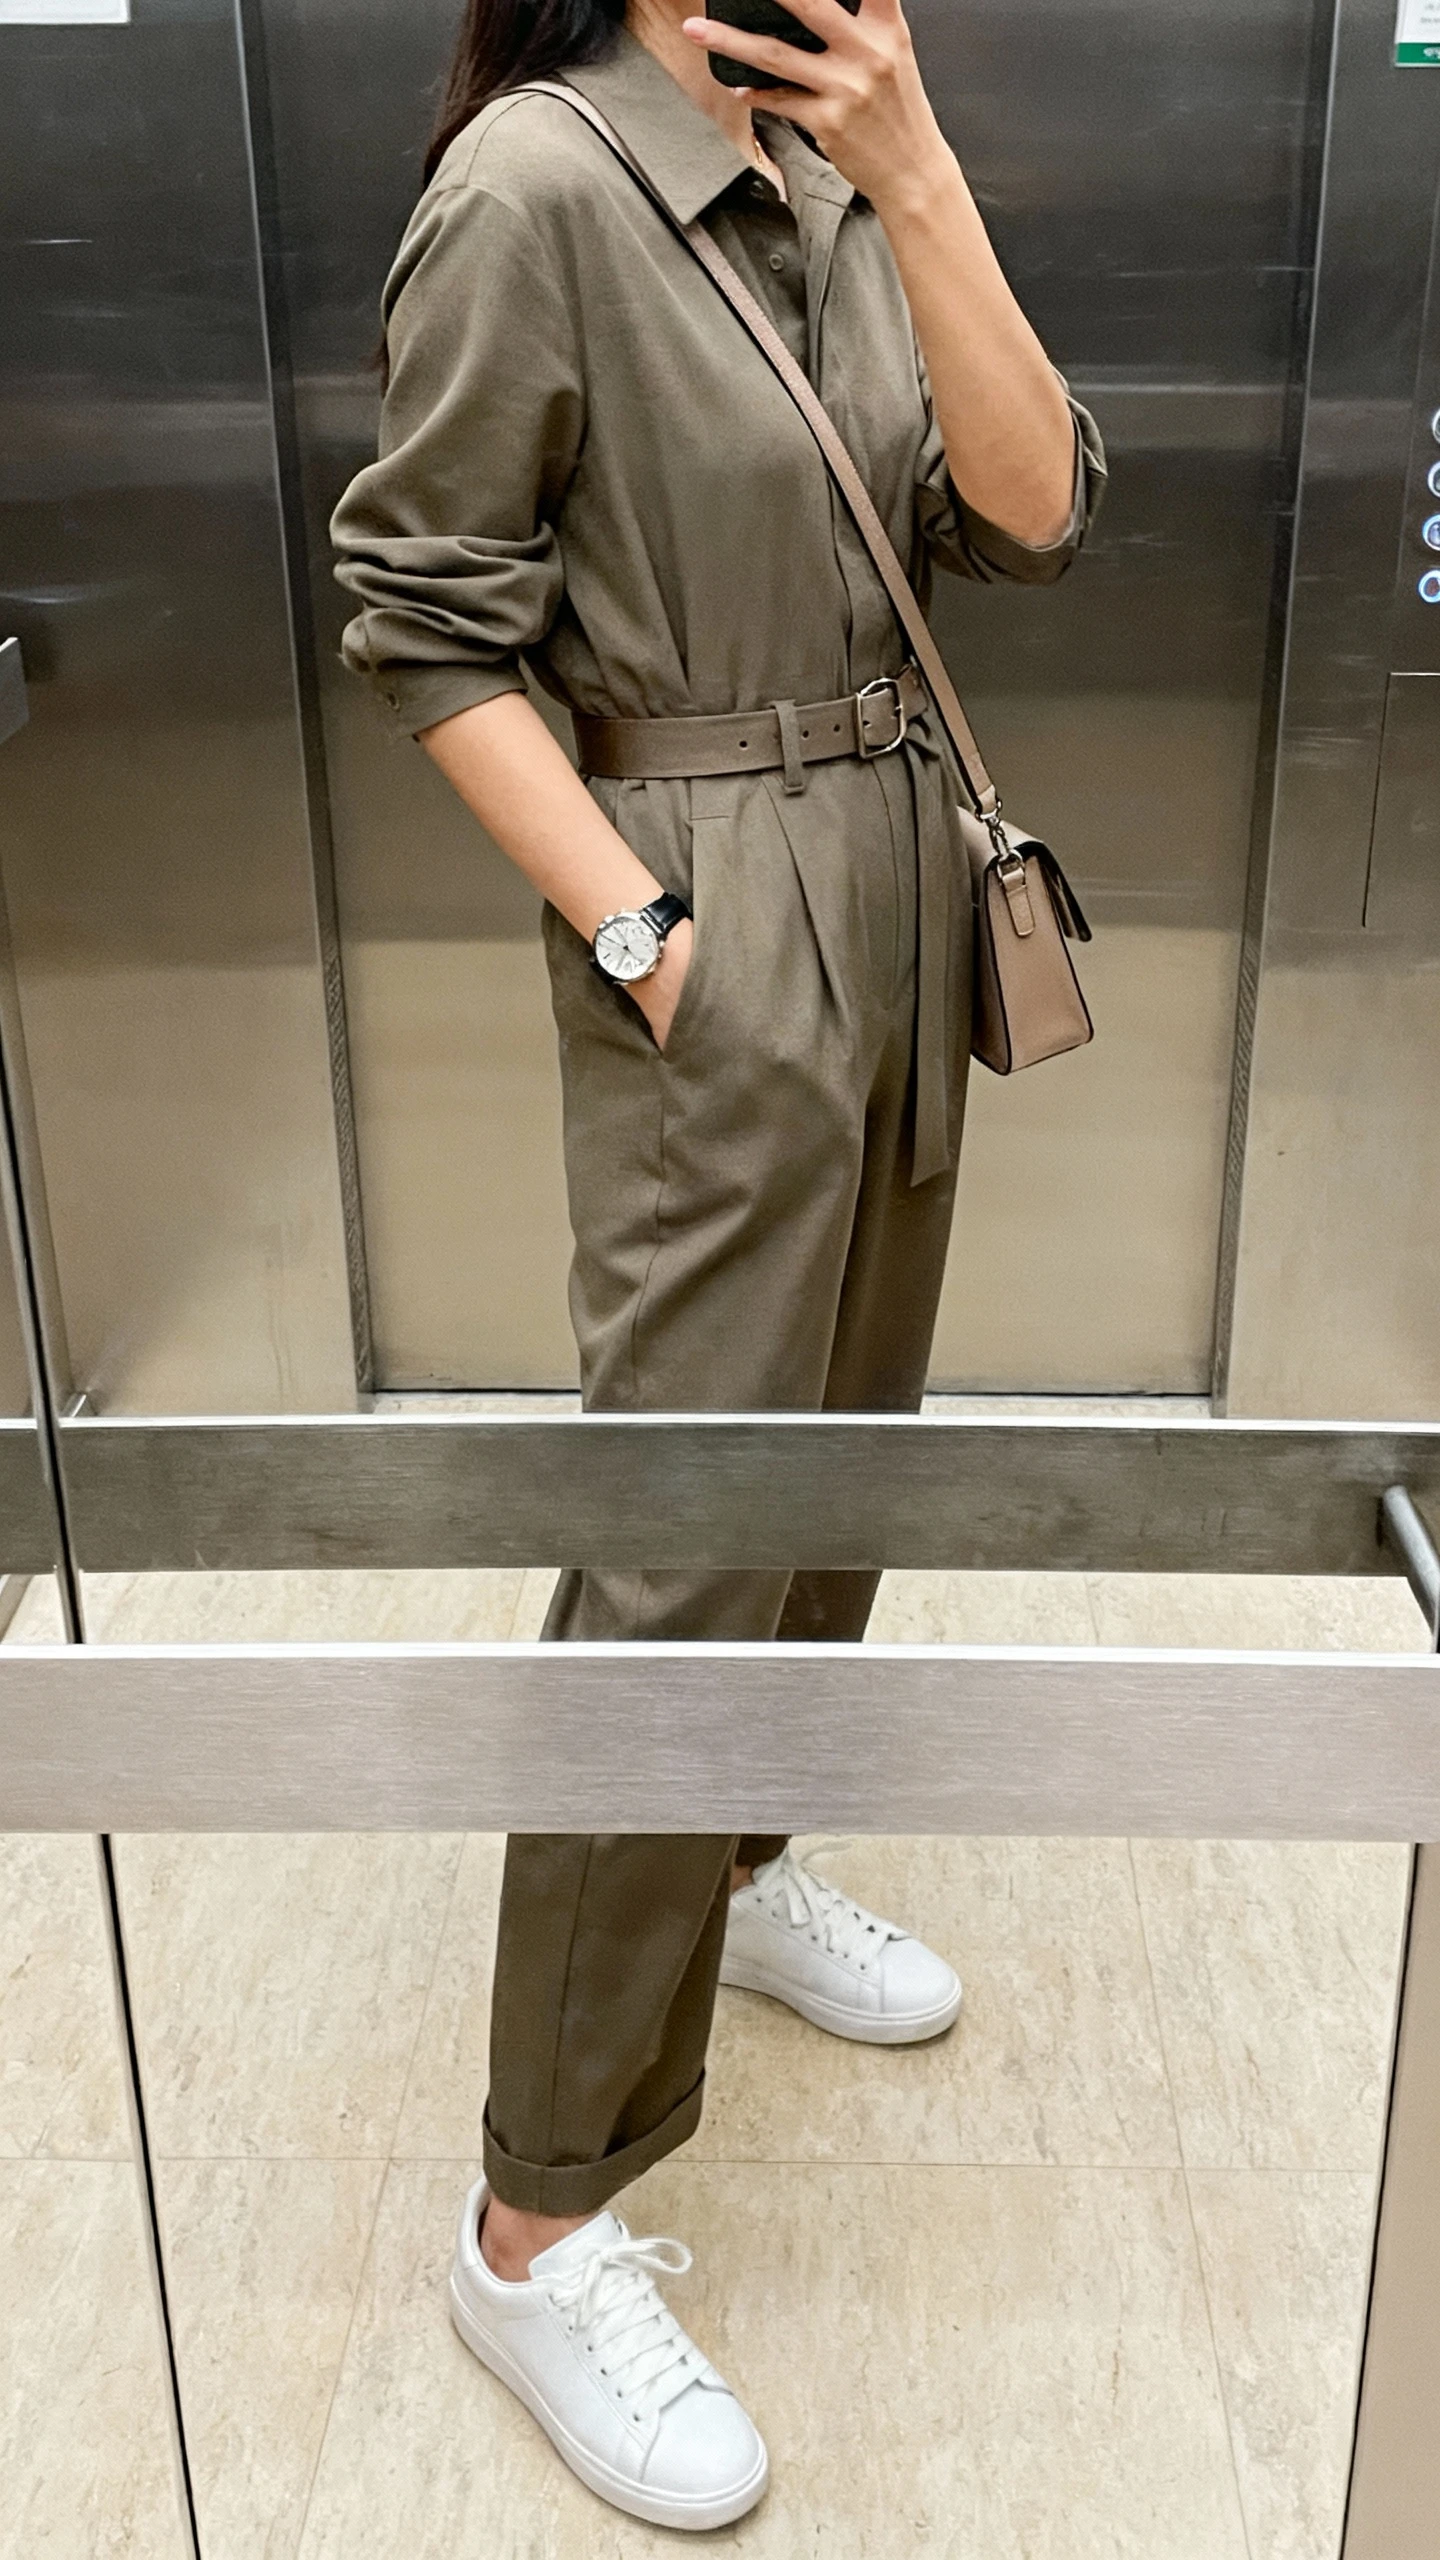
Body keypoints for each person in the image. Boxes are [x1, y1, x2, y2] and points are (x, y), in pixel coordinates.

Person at [332, 0, 1105, 2529]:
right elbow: (424, 615)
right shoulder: (546, 189)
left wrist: (925, 165)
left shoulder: (854, 168)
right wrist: (655, 925)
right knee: (675, 1552)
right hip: (717, 905)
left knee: (838, 1464)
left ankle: (748, 1867)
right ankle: (532, 2218)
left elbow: (1036, 507)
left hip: (897, 880)